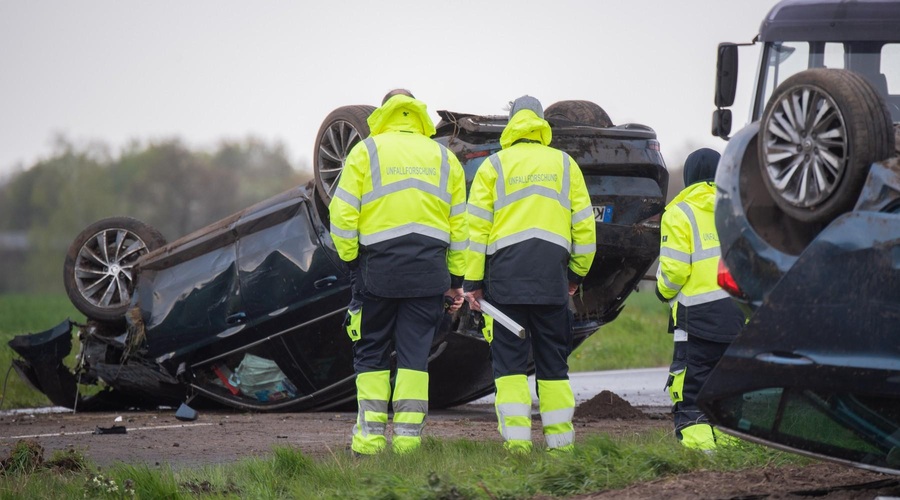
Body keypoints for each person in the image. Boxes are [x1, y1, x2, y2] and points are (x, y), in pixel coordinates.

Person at [329, 89, 467, 455]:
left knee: (371, 354)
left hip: (377, 273)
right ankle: (407, 444)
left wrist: (351, 260)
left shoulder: (366, 151)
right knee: (414, 359)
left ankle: (369, 443)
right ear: (416, 113)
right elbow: (460, 227)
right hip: (428, 275)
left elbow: (342, 215)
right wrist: (455, 283)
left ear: (384, 112)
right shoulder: (443, 157)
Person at [464, 95, 596, 453]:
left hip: (504, 286)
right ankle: (562, 445)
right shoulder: (566, 165)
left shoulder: (493, 167)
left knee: (509, 366)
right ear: (541, 124)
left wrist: (472, 284)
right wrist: (575, 276)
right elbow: (585, 230)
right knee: (554, 366)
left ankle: (517, 447)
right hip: (552, 284)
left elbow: (475, 232)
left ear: (511, 123)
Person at [656, 147, 745, 450]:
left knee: (691, 384)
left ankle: (701, 452)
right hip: (736, 315)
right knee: (729, 385)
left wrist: (662, 291)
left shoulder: (679, 213)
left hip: (695, 318)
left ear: (689, 177)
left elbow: (674, 271)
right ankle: (733, 449)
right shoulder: (736, 211)